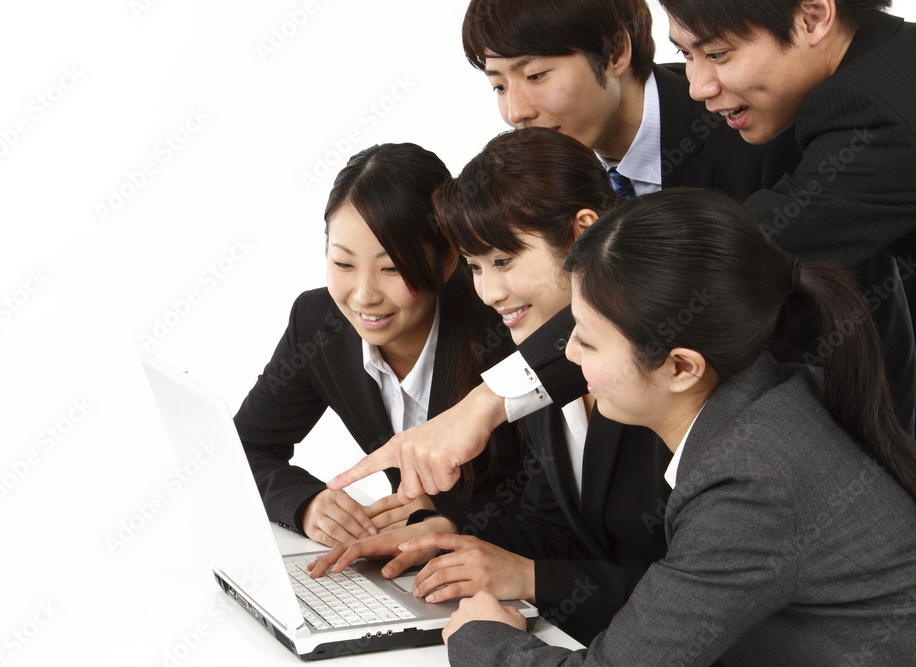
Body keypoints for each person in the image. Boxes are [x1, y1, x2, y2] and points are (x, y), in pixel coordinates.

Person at [327, 0, 802, 501]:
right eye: (498, 85)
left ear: (615, 51)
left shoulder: (745, 123)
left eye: (536, 75)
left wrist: (489, 401)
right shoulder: (551, 188)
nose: (515, 111)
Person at [442, 188, 916, 665]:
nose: (567, 354)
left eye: (587, 341)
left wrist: (481, 636)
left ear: (681, 367)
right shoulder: (772, 406)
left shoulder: (752, 485)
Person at [311, 128, 671, 644]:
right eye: (476, 268)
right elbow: (555, 529)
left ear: (583, 234)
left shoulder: (657, 373)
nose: (488, 292)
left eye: (503, 261)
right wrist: (449, 531)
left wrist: (530, 578)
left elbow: (697, 596)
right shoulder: (536, 373)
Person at [233, 142, 523, 547]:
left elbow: (561, 506)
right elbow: (243, 449)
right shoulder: (318, 324)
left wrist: (450, 520)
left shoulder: (507, 324)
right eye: (343, 264)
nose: (364, 296)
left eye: (391, 268)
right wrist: (306, 504)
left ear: (447, 260)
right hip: (400, 566)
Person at [661, 0, 916, 433]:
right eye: (686, 54)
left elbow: (731, 257)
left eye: (718, 54)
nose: (698, 87)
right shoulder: (892, 57)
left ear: (812, 18)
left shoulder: (872, 113)